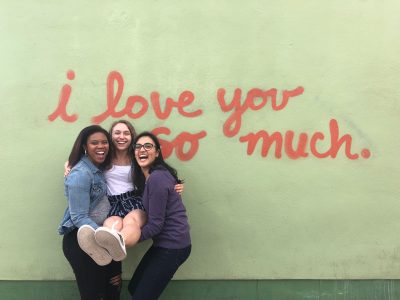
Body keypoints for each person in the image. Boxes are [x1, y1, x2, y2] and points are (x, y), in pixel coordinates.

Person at [64, 120, 184, 264]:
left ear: (132, 137)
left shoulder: (137, 156)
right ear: (110, 137)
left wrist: (175, 184)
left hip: (134, 201)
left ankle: (119, 242)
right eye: (117, 133)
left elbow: (158, 168)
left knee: (131, 221)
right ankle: (104, 248)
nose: (122, 136)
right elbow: (87, 161)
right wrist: (69, 164)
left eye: (126, 133)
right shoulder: (104, 157)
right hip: (112, 203)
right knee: (110, 224)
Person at [58, 125, 122, 300]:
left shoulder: (100, 167)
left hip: (106, 239)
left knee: (113, 287)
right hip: (83, 241)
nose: (101, 146)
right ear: (85, 146)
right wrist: (104, 236)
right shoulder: (80, 174)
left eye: (104, 142)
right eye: (94, 143)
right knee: (94, 294)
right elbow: (78, 217)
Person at [128, 131, 191, 300]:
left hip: (173, 246)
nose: (142, 149)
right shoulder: (151, 177)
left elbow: (156, 225)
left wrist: (127, 240)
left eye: (148, 146)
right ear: (134, 152)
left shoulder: (157, 178)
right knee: (134, 287)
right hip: (164, 244)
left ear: (157, 152)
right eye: (138, 146)